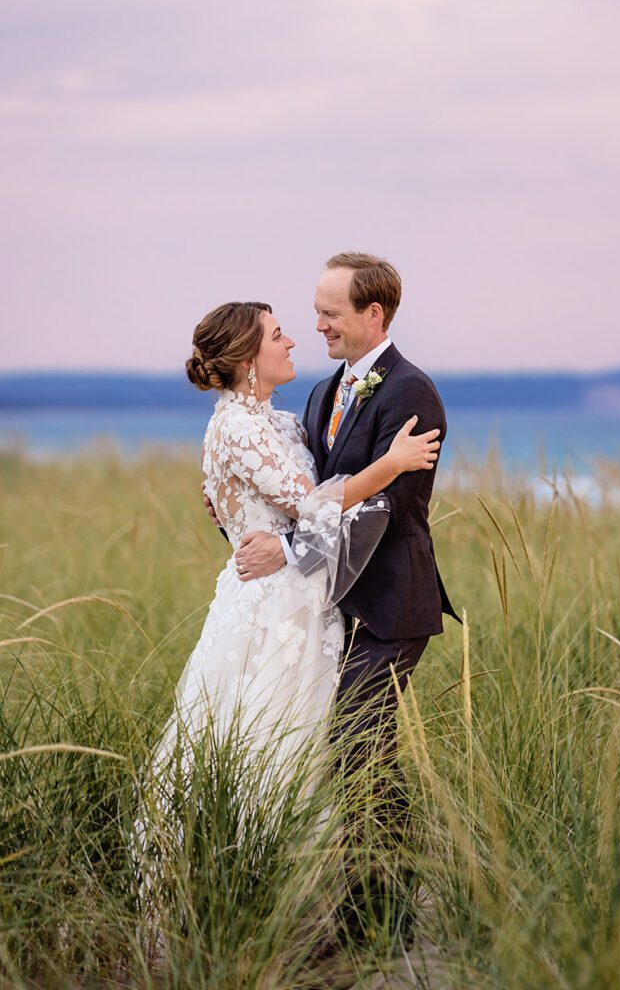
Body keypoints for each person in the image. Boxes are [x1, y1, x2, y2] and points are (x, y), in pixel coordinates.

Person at [226, 253, 459, 944]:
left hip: (390, 605)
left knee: (359, 745)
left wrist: (291, 550)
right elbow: (305, 490)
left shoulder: (411, 393)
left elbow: (381, 507)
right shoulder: (325, 392)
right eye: (317, 310)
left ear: (373, 315)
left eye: (331, 312)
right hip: (333, 606)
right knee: (357, 752)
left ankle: (378, 923)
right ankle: (371, 912)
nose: (317, 324)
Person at [149, 299, 439, 814]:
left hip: (307, 593)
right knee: (269, 736)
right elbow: (313, 505)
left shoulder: (281, 422)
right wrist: (391, 464)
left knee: (314, 740)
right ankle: (251, 864)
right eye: (278, 335)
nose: (292, 341)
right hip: (274, 603)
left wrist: (233, 504)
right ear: (246, 360)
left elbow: (295, 490)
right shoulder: (237, 428)